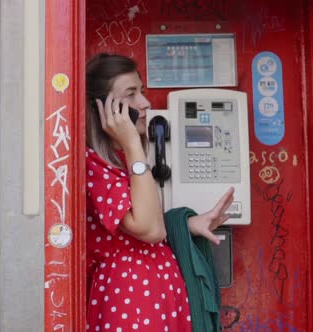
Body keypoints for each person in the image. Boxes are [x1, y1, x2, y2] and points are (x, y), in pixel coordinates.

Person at [85, 53, 235, 331]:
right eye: (131, 94)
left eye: (141, 91)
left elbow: (139, 228)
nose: (144, 103)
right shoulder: (95, 165)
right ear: (102, 108)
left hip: (154, 298)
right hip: (129, 301)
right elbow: (148, 229)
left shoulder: (121, 161)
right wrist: (133, 145)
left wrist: (188, 224)